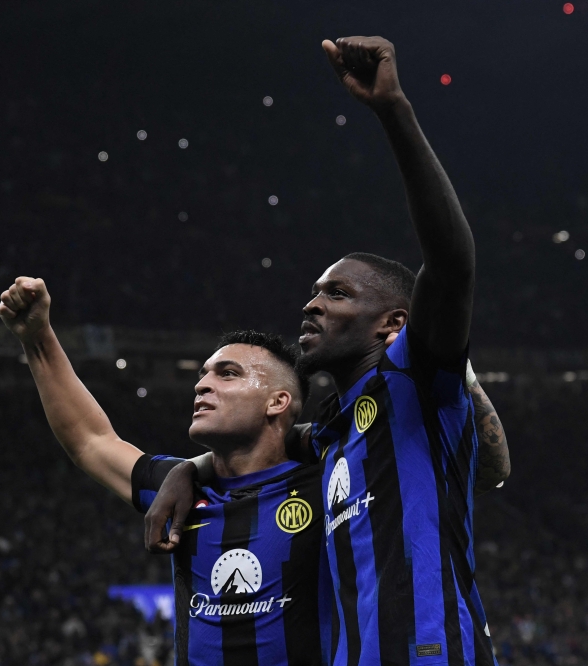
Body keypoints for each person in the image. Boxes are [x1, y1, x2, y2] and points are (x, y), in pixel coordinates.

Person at [144, 35, 508, 666]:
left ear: (391, 324)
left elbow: (452, 263)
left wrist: (394, 111)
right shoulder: (331, 432)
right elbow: (253, 448)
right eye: (313, 292)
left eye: (337, 294)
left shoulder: (415, 381)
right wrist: (187, 469)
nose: (311, 306)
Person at [0, 276, 329, 665]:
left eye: (227, 373)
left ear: (278, 402)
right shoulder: (181, 490)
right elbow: (90, 441)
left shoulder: (328, 482)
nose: (202, 385)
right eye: (203, 373)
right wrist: (37, 338)